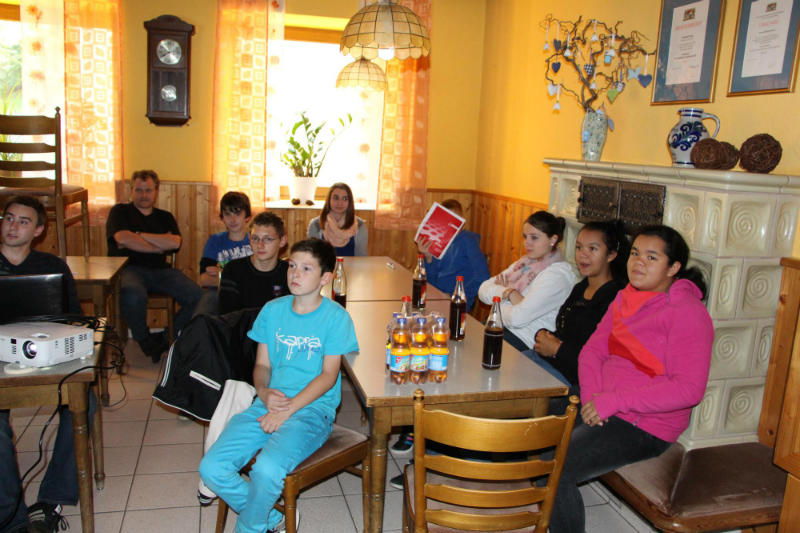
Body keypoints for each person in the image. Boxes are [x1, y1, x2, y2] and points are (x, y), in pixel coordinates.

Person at [549, 225, 714, 533]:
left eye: (652, 257)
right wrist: (593, 398)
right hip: (602, 400)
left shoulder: (688, 313)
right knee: (534, 424)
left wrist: (612, 402)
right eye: (636, 253)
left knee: (558, 466)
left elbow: (689, 389)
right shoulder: (625, 297)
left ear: (673, 268)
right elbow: (592, 353)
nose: (638, 262)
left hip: (644, 424)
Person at [199, 238, 359, 533]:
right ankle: (272, 519)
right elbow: (262, 366)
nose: (295, 274)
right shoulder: (272, 311)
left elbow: (328, 376)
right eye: (292, 266)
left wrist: (288, 410)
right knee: (211, 467)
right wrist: (263, 392)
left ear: (325, 278)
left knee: (267, 468)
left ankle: (249, 527)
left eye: (306, 268)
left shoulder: (336, 318)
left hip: (312, 410)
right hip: (267, 403)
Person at [0, 196, 92, 533]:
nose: (13, 226)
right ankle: (11, 519)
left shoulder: (51, 266)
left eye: (23, 221)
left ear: (38, 230)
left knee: (85, 401)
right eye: (8, 218)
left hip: (43, 354)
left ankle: (50, 500)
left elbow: (73, 318)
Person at [106, 169, 202, 363]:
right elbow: (122, 238)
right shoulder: (120, 212)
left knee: (198, 296)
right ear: (131, 191)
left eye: (148, 190)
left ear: (156, 191)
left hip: (161, 271)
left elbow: (174, 242)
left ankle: (164, 338)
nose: (143, 195)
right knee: (133, 295)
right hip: (128, 269)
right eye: (139, 190)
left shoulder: (165, 216)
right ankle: (145, 340)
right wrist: (158, 246)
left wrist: (138, 235)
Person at [531, 220, 629, 400]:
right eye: (579, 247)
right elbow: (564, 331)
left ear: (611, 255)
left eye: (592, 249)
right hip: (551, 364)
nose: (583, 254)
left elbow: (602, 361)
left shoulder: (616, 298)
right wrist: (544, 335)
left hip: (574, 381)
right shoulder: (581, 287)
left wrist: (558, 349)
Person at [477, 210, 575, 352]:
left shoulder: (557, 275)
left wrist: (498, 302)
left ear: (553, 240)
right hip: (500, 326)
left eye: (534, 238)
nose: (527, 243)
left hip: (523, 340)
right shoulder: (525, 263)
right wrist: (509, 293)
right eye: (525, 237)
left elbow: (517, 319)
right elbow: (483, 289)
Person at [416, 199, 489, 311]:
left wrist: (456, 297)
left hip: (456, 302)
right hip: (436, 299)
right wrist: (428, 257)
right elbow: (430, 282)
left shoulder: (468, 241)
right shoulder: (437, 240)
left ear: (462, 223)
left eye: (456, 220)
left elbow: (483, 278)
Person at [194, 192, 253, 316]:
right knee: (203, 311)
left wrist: (221, 273)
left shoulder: (255, 241)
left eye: (237, 214)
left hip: (248, 292)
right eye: (227, 214)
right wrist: (241, 278)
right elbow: (204, 280)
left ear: (247, 216)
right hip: (217, 292)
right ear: (222, 217)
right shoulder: (215, 241)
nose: (232, 219)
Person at [218, 211, 290, 315]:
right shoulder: (233, 270)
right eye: (255, 238)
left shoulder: (290, 273)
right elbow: (228, 317)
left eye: (267, 239)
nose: (260, 245)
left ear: (282, 241)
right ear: (249, 239)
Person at [307, 182, 368, 256]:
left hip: (352, 264)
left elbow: (361, 257)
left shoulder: (360, 226)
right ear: (329, 200)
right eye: (336, 198)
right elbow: (312, 257)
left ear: (350, 202)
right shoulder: (316, 225)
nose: (340, 203)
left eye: (345, 199)